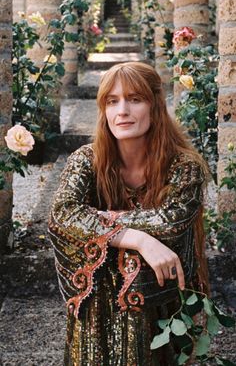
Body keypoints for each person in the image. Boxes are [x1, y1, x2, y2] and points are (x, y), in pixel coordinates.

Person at [48, 62, 209, 366]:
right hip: (97, 310)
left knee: (117, 256)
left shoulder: (185, 167)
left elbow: (170, 222)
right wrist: (139, 239)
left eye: (135, 99)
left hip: (157, 303)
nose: (122, 110)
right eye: (112, 101)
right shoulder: (86, 159)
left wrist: (101, 227)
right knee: (116, 258)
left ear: (155, 105)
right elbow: (62, 214)